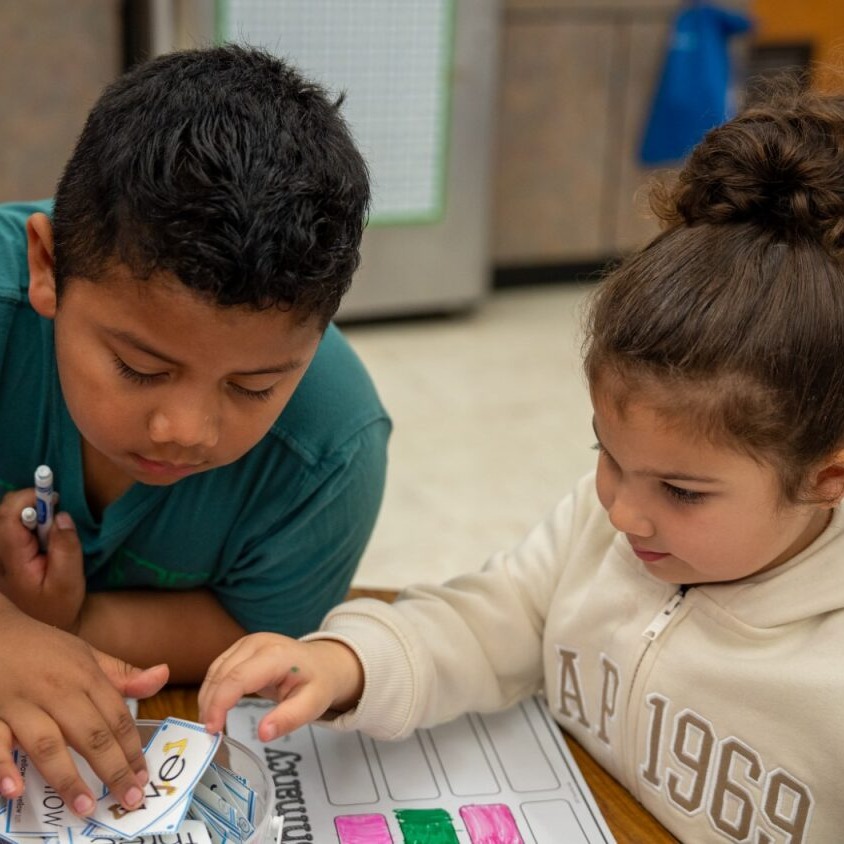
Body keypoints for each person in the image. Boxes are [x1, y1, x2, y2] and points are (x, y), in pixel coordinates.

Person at [198, 83, 844, 842]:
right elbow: (495, 617)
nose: (621, 511)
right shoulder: (605, 528)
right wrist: (351, 662)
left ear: (826, 475)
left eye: (681, 489)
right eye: (608, 454)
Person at [0, 46, 389, 814]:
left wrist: (63, 623)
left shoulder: (331, 449)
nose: (183, 430)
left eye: (254, 386)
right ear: (48, 267)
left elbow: (248, 628)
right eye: (139, 368)